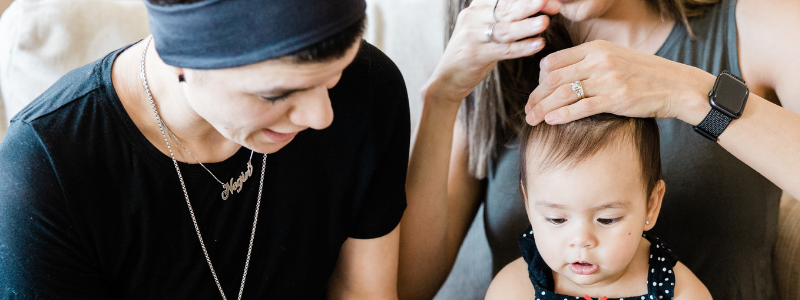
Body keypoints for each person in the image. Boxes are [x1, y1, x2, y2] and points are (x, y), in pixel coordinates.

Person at [0, 0, 409, 299]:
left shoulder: (371, 90)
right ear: (179, 60)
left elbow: (365, 292)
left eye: (333, 76)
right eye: (277, 94)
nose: (322, 116)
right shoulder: (46, 171)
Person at [399, 0, 800, 298]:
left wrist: (692, 94)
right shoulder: (498, 60)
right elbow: (406, 286)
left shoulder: (757, 22)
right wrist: (443, 97)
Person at [485, 114, 711, 299]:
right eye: (556, 219)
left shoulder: (679, 292)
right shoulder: (514, 290)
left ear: (651, 205)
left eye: (607, 219)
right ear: (528, 204)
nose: (581, 240)